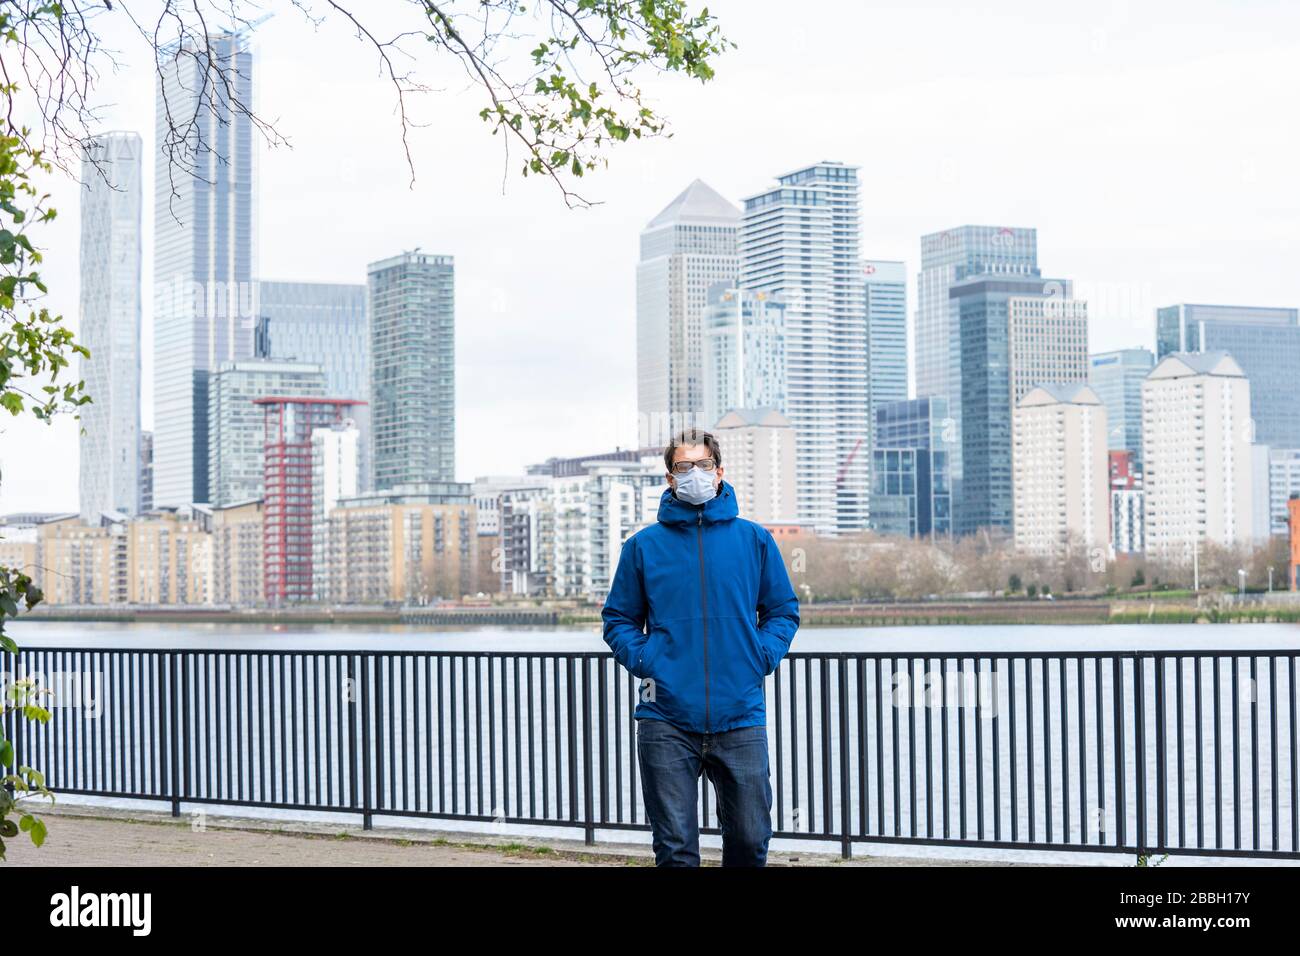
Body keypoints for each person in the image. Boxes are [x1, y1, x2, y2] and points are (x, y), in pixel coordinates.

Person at [601, 426, 800, 866]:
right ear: (670, 478)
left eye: (703, 465)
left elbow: (783, 610)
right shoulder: (642, 547)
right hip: (665, 719)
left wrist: (760, 656)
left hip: (741, 714)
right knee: (675, 851)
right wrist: (647, 659)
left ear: (720, 470)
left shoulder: (754, 540)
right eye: (683, 467)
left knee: (750, 840)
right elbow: (618, 619)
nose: (695, 473)